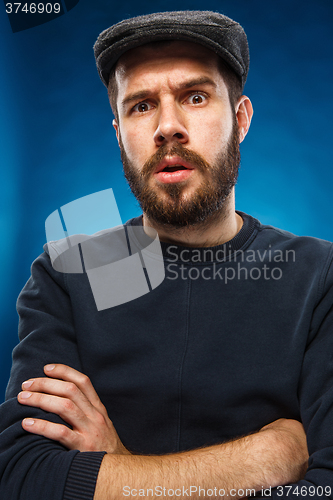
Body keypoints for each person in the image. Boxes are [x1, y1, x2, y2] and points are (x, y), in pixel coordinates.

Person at [0, 10, 332, 500]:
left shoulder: (319, 277)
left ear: (240, 120)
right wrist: (265, 459)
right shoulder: (66, 275)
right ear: (118, 133)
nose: (167, 127)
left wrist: (119, 470)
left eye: (195, 97)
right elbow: (24, 479)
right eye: (140, 106)